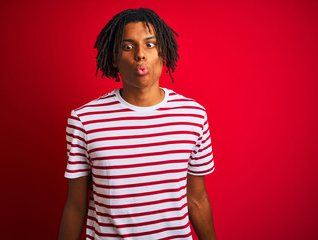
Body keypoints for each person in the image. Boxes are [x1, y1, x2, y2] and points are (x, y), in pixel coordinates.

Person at [59, 8, 216, 240]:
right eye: (128, 46)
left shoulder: (193, 115)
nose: (140, 55)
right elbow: (76, 204)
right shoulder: (85, 120)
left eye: (150, 45)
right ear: (114, 57)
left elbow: (197, 199)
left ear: (163, 52)